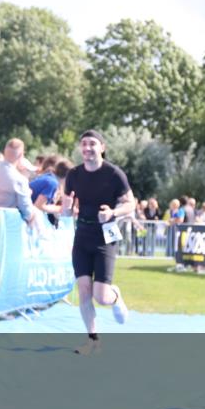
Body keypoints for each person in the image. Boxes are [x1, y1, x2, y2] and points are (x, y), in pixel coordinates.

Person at [62, 129, 135, 356]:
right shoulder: (74, 175)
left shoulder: (114, 174)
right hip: (82, 232)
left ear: (102, 147)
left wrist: (113, 212)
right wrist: (56, 213)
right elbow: (66, 206)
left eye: (92, 144)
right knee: (84, 289)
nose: (87, 148)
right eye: (83, 144)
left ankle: (115, 295)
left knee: (100, 296)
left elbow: (130, 204)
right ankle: (93, 340)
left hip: (108, 232)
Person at [0, 138, 40, 226]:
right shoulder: (20, 179)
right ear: (21, 155)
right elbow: (27, 212)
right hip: (8, 225)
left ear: (4, 151)